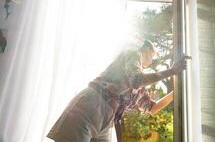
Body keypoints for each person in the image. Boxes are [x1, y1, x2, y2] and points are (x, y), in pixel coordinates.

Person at [47, 40, 191, 142]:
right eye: (152, 55)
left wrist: (177, 91)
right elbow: (137, 79)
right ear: (145, 48)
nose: (152, 61)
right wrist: (172, 70)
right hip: (90, 107)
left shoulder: (136, 89)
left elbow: (152, 109)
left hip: (106, 120)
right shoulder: (133, 52)